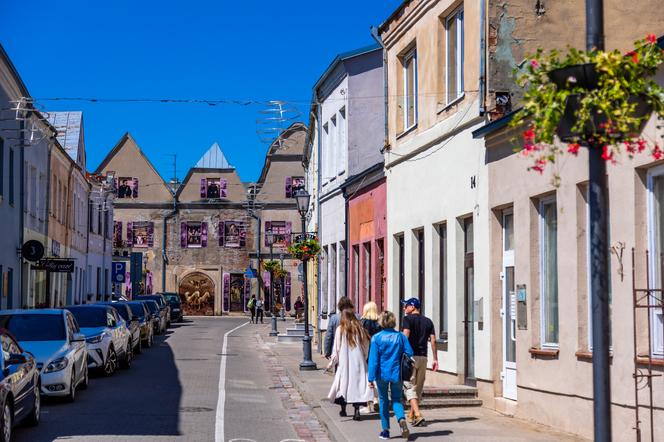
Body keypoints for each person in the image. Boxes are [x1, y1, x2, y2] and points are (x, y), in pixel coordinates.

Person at [368, 311, 412, 440]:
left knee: (383, 401)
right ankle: (401, 420)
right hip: (397, 372)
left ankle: (385, 430)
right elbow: (409, 352)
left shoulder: (376, 338)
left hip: (381, 373)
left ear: (381, 322)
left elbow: (373, 360)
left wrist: (370, 377)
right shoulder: (400, 336)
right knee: (397, 399)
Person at [327, 310, 372, 421]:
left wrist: (333, 361)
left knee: (344, 385)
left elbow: (336, 348)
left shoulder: (340, 329)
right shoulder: (360, 329)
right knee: (357, 386)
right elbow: (366, 345)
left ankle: (343, 409)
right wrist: (364, 357)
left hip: (344, 362)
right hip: (358, 361)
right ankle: (357, 410)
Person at [401, 297, 438, 427]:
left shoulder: (407, 320)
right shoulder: (428, 321)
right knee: (418, 387)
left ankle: (418, 415)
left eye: (406, 306)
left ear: (412, 307)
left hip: (410, 357)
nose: (404, 308)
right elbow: (433, 340)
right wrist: (435, 359)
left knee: (409, 386)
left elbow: (405, 336)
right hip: (424, 357)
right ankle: (411, 415)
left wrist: (401, 352)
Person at [360, 301, 382, 413]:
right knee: (377, 377)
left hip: (366, 352)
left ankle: (368, 404)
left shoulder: (362, 323)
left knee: (367, 378)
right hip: (378, 353)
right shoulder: (380, 323)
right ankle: (376, 399)